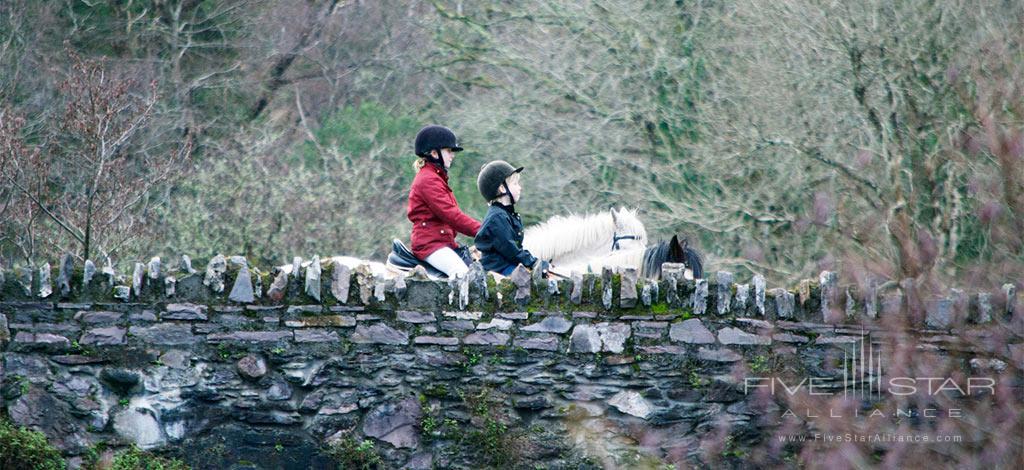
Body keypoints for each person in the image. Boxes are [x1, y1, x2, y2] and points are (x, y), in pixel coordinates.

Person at [407, 125, 481, 278]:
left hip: (443, 243)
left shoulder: (436, 178)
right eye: (448, 151)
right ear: (434, 153)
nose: (452, 155)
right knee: (462, 275)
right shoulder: (428, 180)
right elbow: (452, 216)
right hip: (430, 245)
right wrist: (482, 231)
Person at [474, 160, 544, 276]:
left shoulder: (507, 214)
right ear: (502, 188)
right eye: (515, 184)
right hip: (499, 268)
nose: (520, 188)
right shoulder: (497, 217)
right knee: (526, 282)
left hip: (506, 264)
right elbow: (512, 251)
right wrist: (534, 263)